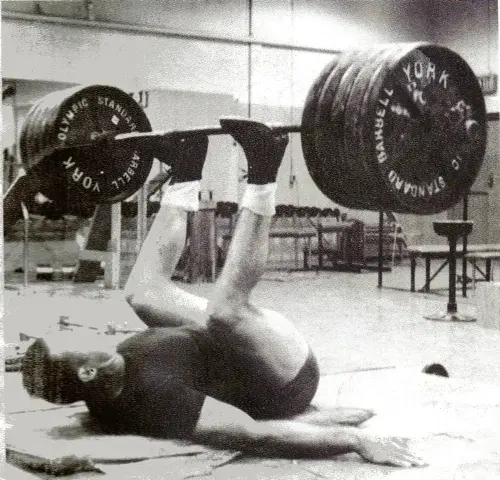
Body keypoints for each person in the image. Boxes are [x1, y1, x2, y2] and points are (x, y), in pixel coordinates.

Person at [22, 118, 425, 468]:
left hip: (228, 351)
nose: (77, 328)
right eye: (71, 340)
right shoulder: (153, 400)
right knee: (224, 311)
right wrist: (355, 441)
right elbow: (252, 435)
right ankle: (265, 167)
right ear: (87, 372)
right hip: (283, 375)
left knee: (141, 294)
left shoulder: (106, 381)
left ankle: (186, 170)